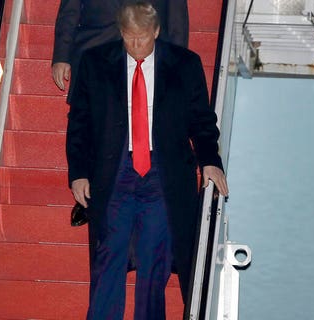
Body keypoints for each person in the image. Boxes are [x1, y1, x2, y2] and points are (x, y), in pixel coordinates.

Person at [66, 1, 228, 318]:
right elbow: (80, 124)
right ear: (121, 33)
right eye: (129, 37)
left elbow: (203, 120)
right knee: (109, 256)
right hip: (115, 171)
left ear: (156, 31)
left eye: (143, 37)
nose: (136, 45)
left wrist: (210, 159)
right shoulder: (96, 63)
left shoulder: (185, 64)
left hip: (163, 174)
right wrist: (79, 172)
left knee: (155, 263)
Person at [52, 0, 189, 94]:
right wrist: (61, 56)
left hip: (148, 54)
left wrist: (176, 60)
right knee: (91, 123)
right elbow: (69, 12)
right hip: (96, 50)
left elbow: (177, 18)